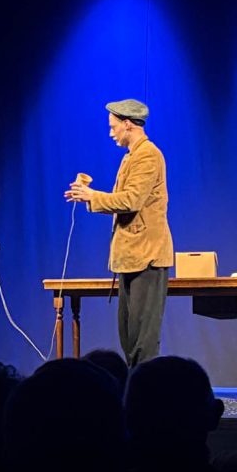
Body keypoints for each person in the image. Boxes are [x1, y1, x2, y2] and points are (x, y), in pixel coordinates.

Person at [65, 99, 173, 366]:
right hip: (131, 257)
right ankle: (132, 385)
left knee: (142, 339)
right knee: (128, 335)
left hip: (147, 256)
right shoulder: (131, 157)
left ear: (127, 124)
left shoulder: (148, 155)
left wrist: (92, 196)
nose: (111, 133)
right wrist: (90, 197)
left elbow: (131, 200)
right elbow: (123, 200)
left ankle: (143, 388)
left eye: (113, 127)